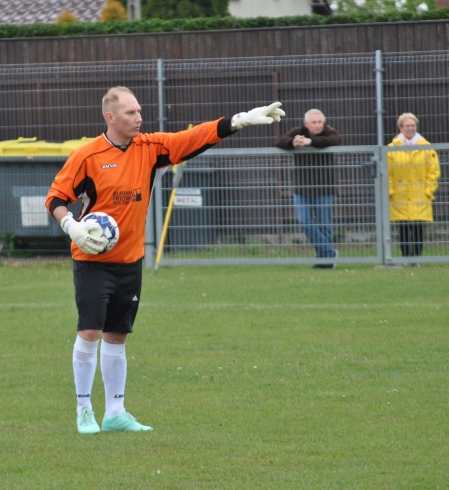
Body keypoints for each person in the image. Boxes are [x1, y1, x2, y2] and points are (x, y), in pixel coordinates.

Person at [46, 87, 285, 434]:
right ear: (110, 118)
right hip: (93, 260)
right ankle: (84, 410)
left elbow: (192, 138)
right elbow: (56, 197)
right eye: (130, 113)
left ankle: (115, 413)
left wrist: (239, 120)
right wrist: (72, 227)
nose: (138, 118)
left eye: (139, 111)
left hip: (130, 259)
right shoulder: (87, 156)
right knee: (90, 331)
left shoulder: (150, 148)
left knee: (117, 335)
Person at [275, 109, 342, 269]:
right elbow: (279, 141)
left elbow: (336, 140)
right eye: (314, 122)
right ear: (306, 124)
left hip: (325, 188)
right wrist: (293, 143)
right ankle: (329, 252)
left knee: (325, 226)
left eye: (320, 122)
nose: (318, 125)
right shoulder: (298, 131)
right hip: (302, 188)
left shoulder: (329, 131)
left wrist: (310, 142)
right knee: (305, 222)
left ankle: (324, 261)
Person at [387, 113, 440, 267]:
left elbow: (434, 170)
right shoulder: (391, 148)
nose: (410, 128)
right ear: (400, 128)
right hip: (399, 195)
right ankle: (406, 257)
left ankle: (416, 258)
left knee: (417, 228)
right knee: (403, 228)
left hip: (420, 194)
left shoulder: (426, 146)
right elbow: (387, 172)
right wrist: (391, 191)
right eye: (407, 126)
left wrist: (429, 190)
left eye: (413, 125)